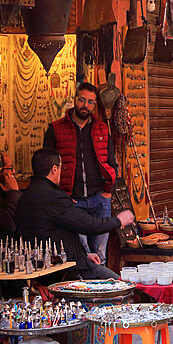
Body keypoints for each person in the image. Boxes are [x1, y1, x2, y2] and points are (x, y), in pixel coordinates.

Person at [15, 148, 135, 279]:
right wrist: (118, 221)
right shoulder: (53, 198)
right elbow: (88, 224)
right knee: (120, 284)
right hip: (66, 270)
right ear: (54, 169)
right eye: (61, 167)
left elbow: (52, 232)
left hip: (48, 266)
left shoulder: (25, 197)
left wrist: (84, 254)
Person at [43, 82, 118, 262]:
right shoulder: (56, 128)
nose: (86, 106)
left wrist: (108, 190)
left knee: (101, 255)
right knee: (80, 255)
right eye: (82, 100)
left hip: (100, 199)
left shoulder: (102, 129)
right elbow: (46, 166)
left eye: (91, 102)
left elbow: (111, 162)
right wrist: (60, 196)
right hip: (72, 200)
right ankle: (83, 289)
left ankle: (102, 289)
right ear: (75, 100)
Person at [0, 153, 22, 237]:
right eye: (10, 168)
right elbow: (9, 226)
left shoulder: (7, 193)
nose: (13, 172)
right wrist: (13, 192)